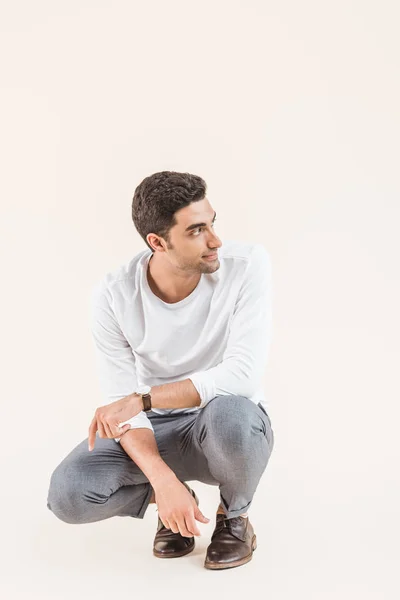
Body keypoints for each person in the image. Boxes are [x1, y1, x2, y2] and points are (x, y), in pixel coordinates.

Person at [46, 170, 275, 570]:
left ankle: (233, 518)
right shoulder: (114, 295)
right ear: (157, 242)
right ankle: (175, 503)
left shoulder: (246, 265)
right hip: (156, 431)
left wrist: (144, 398)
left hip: (220, 423)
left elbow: (242, 376)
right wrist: (162, 481)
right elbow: (121, 406)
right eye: (197, 230)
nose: (215, 240)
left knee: (235, 415)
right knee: (68, 493)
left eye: (213, 223)